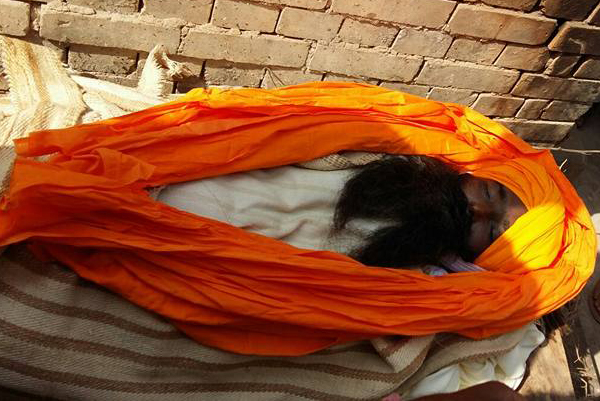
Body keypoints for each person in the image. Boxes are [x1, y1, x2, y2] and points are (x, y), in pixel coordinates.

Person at [158, 154, 527, 271]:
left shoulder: (420, 272)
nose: (475, 209)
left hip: (216, 253)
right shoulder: (403, 159)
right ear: (468, 175)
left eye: (492, 232)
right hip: (202, 188)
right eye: (489, 192)